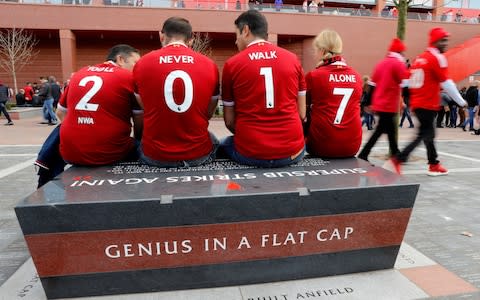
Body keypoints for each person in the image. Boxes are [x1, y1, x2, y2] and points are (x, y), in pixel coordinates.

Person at [221, 10, 306, 167]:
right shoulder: (293, 59)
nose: (235, 41)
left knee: (222, 143)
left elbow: (230, 121)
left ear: (245, 30)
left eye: (236, 35)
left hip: (250, 152)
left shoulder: (232, 64)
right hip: (292, 151)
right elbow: (301, 114)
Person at [133, 17, 220, 168]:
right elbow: (209, 112)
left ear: (161, 35)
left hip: (155, 155)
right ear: (191, 40)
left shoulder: (142, 63)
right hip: (198, 154)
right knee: (215, 140)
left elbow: (144, 107)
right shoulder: (209, 65)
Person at [390, 28, 467, 176]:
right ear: (435, 41)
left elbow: (406, 81)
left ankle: (434, 164)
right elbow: (447, 83)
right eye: (443, 40)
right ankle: (398, 160)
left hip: (418, 103)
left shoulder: (419, 58)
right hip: (428, 104)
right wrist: (461, 101)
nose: (446, 44)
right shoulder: (437, 58)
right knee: (423, 134)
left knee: (428, 134)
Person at [57, 44, 143, 166]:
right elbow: (139, 119)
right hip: (111, 152)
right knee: (147, 150)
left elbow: (60, 112)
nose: (137, 68)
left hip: (70, 153)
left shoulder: (79, 73)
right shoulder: (128, 77)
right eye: (135, 63)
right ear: (120, 59)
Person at [304, 29, 362, 158]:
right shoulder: (357, 76)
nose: (314, 54)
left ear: (322, 51)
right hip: (352, 146)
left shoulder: (314, 76)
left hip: (321, 146)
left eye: (315, 50)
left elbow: (301, 111)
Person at [358, 38, 409, 162]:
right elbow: (406, 83)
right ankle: (364, 154)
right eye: (403, 53)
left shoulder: (381, 63)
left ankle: (395, 153)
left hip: (379, 103)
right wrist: (408, 100)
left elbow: (372, 84)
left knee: (389, 129)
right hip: (389, 103)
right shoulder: (398, 64)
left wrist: (367, 102)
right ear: (399, 52)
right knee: (381, 130)